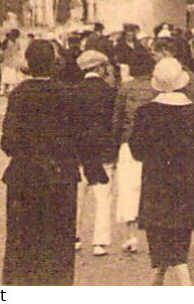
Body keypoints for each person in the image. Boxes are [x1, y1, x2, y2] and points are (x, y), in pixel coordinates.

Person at [1, 39, 80, 285]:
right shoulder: (67, 94)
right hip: (61, 177)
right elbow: (77, 138)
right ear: (54, 63)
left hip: (25, 176)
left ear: (28, 62)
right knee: (58, 242)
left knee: (22, 241)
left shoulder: (19, 94)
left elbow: (8, 142)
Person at [128, 57, 194, 286]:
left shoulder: (146, 112)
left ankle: (179, 283)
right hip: (186, 183)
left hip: (156, 183)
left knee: (159, 235)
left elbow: (136, 150)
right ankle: (162, 280)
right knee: (181, 236)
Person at [72, 50, 120, 257]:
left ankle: (73, 237)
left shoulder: (74, 92)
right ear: (99, 68)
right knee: (103, 198)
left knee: (77, 197)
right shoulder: (110, 92)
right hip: (104, 151)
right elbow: (114, 124)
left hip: (80, 152)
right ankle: (99, 242)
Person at [113, 50, 159, 253]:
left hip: (128, 143)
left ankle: (131, 237)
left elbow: (116, 120)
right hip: (154, 146)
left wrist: (116, 144)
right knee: (151, 190)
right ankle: (153, 236)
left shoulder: (125, 89)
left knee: (128, 190)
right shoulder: (156, 90)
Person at [1, 29, 26, 94]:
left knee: (8, 74)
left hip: (10, 59)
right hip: (10, 59)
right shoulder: (12, 42)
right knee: (10, 74)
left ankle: (6, 89)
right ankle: (7, 88)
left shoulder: (10, 41)